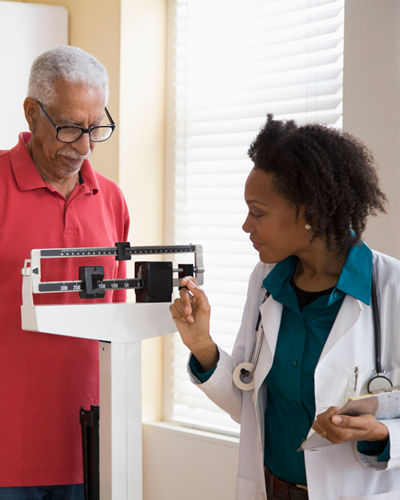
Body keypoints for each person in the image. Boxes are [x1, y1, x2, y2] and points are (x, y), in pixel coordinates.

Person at [170, 115, 400, 500]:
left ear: (309, 212)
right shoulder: (266, 281)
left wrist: (384, 433)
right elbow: (250, 407)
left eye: (257, 212)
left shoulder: (390, 287)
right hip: (272, 489)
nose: (246, 225)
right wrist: (202, 346)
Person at [0, 46, 129, 499]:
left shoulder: (110, 199)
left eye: (96, 129)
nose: (85, 147)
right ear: (32, 113)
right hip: (6, 450)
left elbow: (116, 324)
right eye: (72, 128)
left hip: (85, 444)